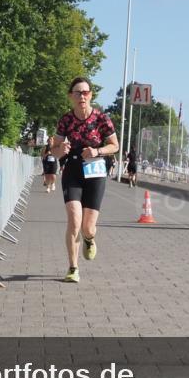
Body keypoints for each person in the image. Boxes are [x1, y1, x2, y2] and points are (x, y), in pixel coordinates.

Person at [50, 77, 119, 283]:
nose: (82, 96)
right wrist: (60, 151)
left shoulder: (102, 119)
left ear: (91, 95)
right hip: (73, 169)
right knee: (74, 221)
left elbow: (114, 145)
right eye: (78, 92)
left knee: (87, 227)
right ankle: (73, 268)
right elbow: (53, 150)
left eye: (86, 92)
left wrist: (97, 150)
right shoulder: (66, 120)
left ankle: (89, 238)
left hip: (96, 171)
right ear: (71, 96)